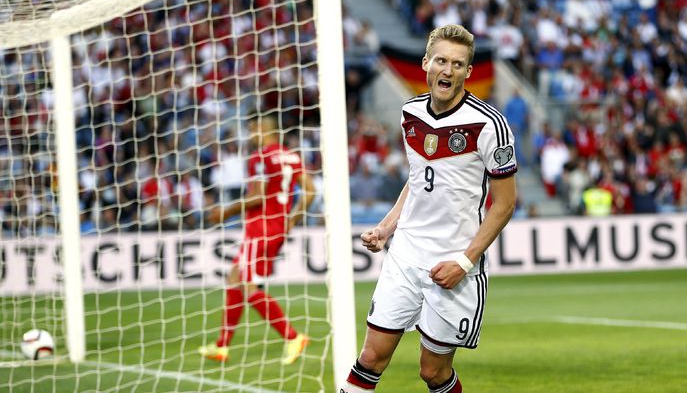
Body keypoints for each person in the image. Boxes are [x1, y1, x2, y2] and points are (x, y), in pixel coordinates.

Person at [340, 24, 518, 393]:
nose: (447, 70)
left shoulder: (490, 125)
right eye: (441, 61)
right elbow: (419, 177)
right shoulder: (410, 112)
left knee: (432, 372)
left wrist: (464, 262)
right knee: (370, 358)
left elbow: (504, 204)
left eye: (457, 64)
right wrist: (387, 227)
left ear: (468, 71)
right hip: (406, 254)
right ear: (426, 63)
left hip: (453, 261)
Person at [198, 112, 315, 365]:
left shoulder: (260, 156)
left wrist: (225, 212)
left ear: (262, 128)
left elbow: (257, 196)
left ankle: (293, 337)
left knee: (249, 286)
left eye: (252, 129)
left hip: (260, 227)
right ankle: (222, 346)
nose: (250, 134)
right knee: (235, 277)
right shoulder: (291, 156)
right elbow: (310, 191)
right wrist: (292, 219)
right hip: (277, 227)